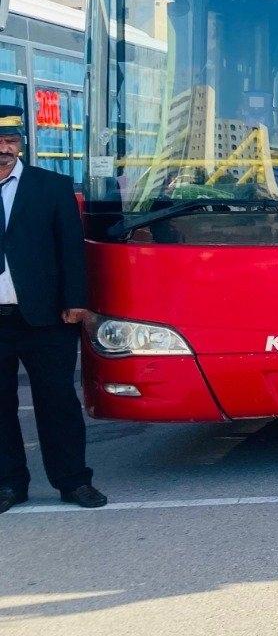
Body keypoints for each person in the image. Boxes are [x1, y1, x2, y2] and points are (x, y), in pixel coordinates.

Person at [0, 114, 107, 512]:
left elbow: (71, 250)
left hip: (47, 318)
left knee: (57, 403)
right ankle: (9, 484)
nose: (4, 148)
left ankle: (73, 481)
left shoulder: (51, 186)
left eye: (11, 139)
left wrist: (77, 301)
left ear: (21, 142)